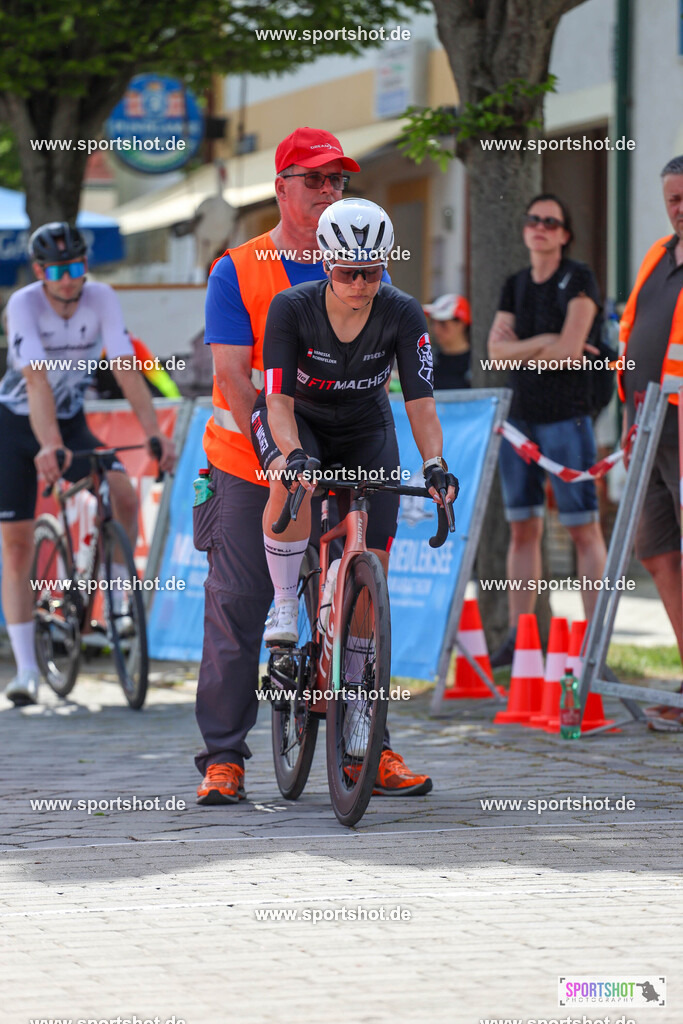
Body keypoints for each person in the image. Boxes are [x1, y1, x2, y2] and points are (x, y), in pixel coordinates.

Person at [193, 128, 436, 804]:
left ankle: (368, 743)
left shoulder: (364, 263)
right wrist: (281, 453)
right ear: (281, 187)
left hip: (350, 443)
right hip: (252, 456)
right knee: (242, 607)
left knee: (360, 595)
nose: (330, 192)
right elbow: (237, 379)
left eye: (339, 181)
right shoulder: (238, 268)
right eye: (316, 180)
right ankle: (223, 757)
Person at [253, 197, 456, 789]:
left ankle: (362, 710)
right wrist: (292, 457)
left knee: (375, 567)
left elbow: (420, 404)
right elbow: (277, 403)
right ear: (324, 262)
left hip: (368, 427)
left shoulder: (403, 311)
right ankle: (287, 610)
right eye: (348, 272)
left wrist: (436, 463)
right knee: (288, 483)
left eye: (373, 270)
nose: (362, 283)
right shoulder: (290, 309)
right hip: (300, 423)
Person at [0, 222, 176, 706]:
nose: (68, 279)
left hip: (72, 419)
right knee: (16, 544)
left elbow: (125, 365)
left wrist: (155, 434)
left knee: (122, 491)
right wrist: (49, 446)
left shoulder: (101, 297)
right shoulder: (23, 305)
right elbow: (36, 382)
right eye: (56, 270)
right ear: (39, 272)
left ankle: (118, 596)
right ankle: (28, 670)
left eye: (76, 267)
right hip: (16, 424)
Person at [487, 193, 607, 667]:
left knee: (583, 529)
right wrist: (544, 342)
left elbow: (571, 349)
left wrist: (527, 345)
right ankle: (523, 643)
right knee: (522, 528)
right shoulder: (514, 284)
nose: (539, 227)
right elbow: (496, 354)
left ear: (564, 233)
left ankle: (594, 645)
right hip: (520, 419)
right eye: (532, 219)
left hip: (567, 416)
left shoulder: (579, 278)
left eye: (550, 222)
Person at [618, 155, 683, 731]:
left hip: (681, 425)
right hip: (646, 425)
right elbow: (632, 324)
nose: (679, 209)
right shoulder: (659, 255)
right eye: (673, 199)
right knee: (657, 551)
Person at [423, 293, 472, 390]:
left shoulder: (476, 362)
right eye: (433, 323)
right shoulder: (426, 359)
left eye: (443, 323)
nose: (435, 329)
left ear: (461, 324)